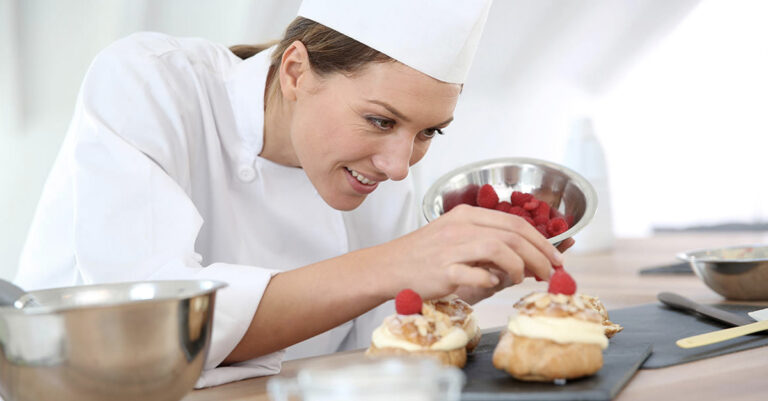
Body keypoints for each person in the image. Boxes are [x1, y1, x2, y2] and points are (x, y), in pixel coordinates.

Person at [15, 0, 572, 387]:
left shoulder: (373, 166)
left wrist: (449, 287)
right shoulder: (148, 82)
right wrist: (398, 263)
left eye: (429, 132)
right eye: (380, 121)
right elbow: (147, 329)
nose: (400, 167)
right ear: (296, 71)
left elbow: (370, 346)